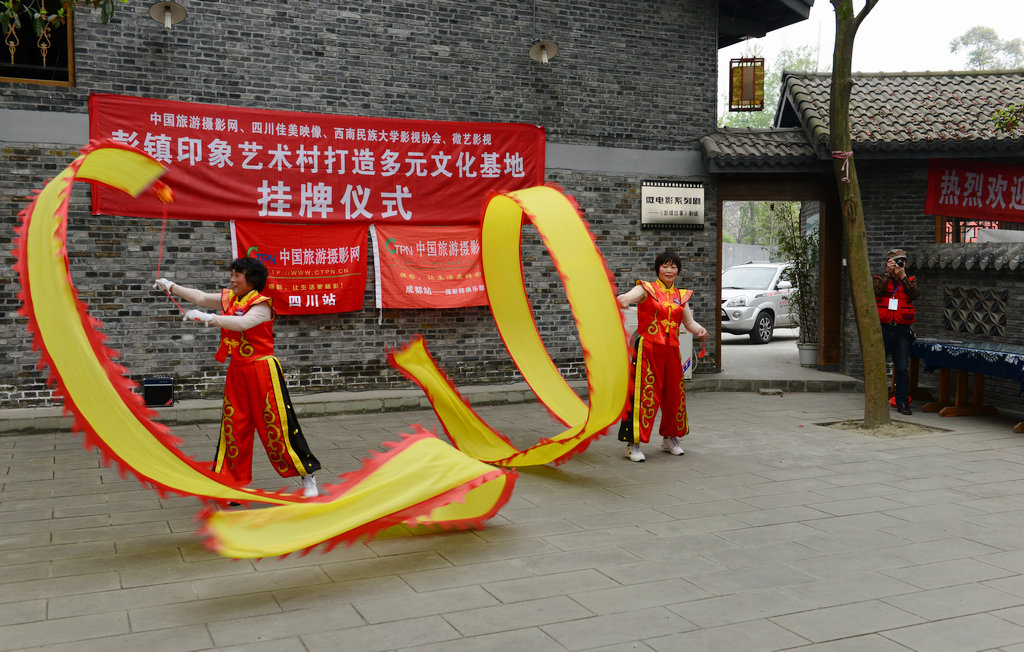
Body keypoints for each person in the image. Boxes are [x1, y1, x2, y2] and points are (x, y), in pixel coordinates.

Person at [154, 258, 321, 497]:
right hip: (238, 372)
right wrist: (171, 286)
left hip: (262, 372)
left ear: (251, 279)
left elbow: (243, 323)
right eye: (232, 275)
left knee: (276, 426)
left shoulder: (262, 305)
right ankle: (232, 484)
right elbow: (201, 297)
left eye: (237, 275)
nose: (232, 280)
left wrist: (208, 318)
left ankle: (307, 474)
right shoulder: (231, 299)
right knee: (235, 426)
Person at [616, 250, 707, 462]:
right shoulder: (645, 289)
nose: (669, 270)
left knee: (674, 395)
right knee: (643, 395)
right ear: (658, 268)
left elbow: (688, 322)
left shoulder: (681, 296)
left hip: (672, 351)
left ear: (678, 271)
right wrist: (623, 299)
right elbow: (628, 297)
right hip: (648, 349)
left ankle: (670, 437)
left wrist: (699, 330)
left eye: (673, 267)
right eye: (665, 266)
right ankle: (633, 443)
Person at [873, 247, 920, 416]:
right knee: (878, 366)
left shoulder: (910, 279)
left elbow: (914, 294)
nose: (901, 264)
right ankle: (876, 400)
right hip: (883, 329)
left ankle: (902, 402)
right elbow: (876, 291)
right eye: (897, 261)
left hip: (902, 330)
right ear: (888, 262)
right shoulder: (879, 279)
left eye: (903, 261)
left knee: (902, 369)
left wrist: (903, 276)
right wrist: (888, 273)